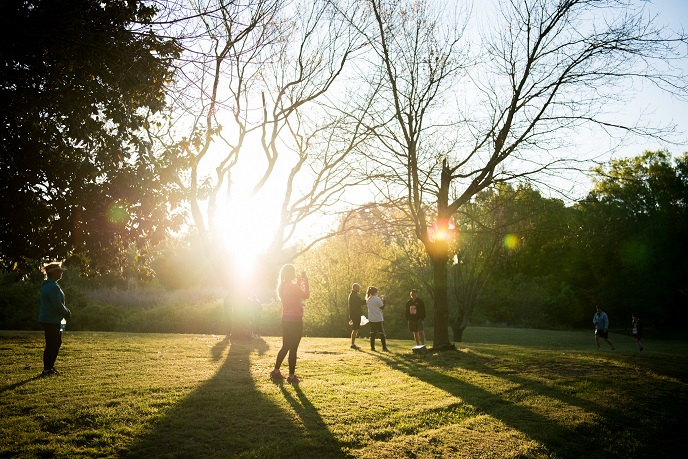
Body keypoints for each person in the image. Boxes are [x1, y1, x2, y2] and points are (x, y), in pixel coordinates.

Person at [270, 265, 309, 384]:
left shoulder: (283, 286)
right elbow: (305, 295)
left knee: (285, 345)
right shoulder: (292, 286)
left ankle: (276, 371)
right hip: (295, 320)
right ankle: (291, 376)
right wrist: (306, 282)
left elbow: (294, 291)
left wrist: (299, 281)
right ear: (291, 273)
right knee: (293, 348)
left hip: (286, 319)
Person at [38, 262, 71, 376]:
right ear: (54, 273)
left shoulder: (51, 285)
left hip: (55, 319)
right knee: (52, 343)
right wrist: (66, 312)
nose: (61, 273)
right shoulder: (51, 286)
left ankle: (50, 367)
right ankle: (47, 369)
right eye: (59, 271)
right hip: (51, 320)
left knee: (56, 342)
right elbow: (57, 304)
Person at [366, 286, 388, 352]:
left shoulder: (368, 299)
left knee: (372, 332)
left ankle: (372, 347)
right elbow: (382, 307)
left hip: (371, 318)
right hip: (378, 317)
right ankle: (384, 347)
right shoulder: (377, 299)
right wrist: (384, 300)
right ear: (375, 292)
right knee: (381, 332)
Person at [348, 283, 366, 349]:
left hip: (355, 314)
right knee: (355, 329)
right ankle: (352, 344)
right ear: (354, 288)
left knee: (356, 328)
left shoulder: (354, 295)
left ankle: (353, 343)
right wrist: (367, 301)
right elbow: (359, 302)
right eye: (358, 287)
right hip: (355, 314)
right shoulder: (353, 295)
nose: (359, 289)